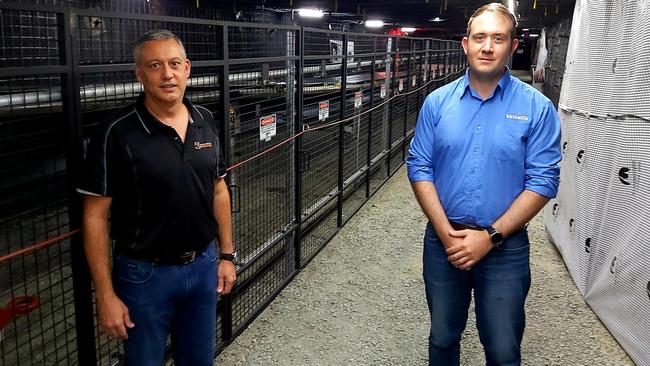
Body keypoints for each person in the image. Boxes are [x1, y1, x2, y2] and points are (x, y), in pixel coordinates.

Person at [406, 3, 561, 366]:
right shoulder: (437, 103)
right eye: (480, 37)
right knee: (443, 338)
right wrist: (446, 234)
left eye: (498, 38)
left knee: (503, 348)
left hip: (504, 248)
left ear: (512, 46)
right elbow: (419, 166)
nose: (487, 46)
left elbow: (543, 180)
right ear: (466, 44)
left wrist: (489, 237)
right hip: (445, 243)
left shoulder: (537, 108)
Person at [78, 29, 236, 366]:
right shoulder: (116, 132)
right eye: (154, 65)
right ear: (139, 74)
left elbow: (219, 189)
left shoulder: (205, 120)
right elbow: (94, 216)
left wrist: (226, 255)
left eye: (174, 63)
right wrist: (105, 295)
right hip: (144, 277)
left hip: (204, 265)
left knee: (199, 360)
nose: (167, 74)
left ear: (187, 68)